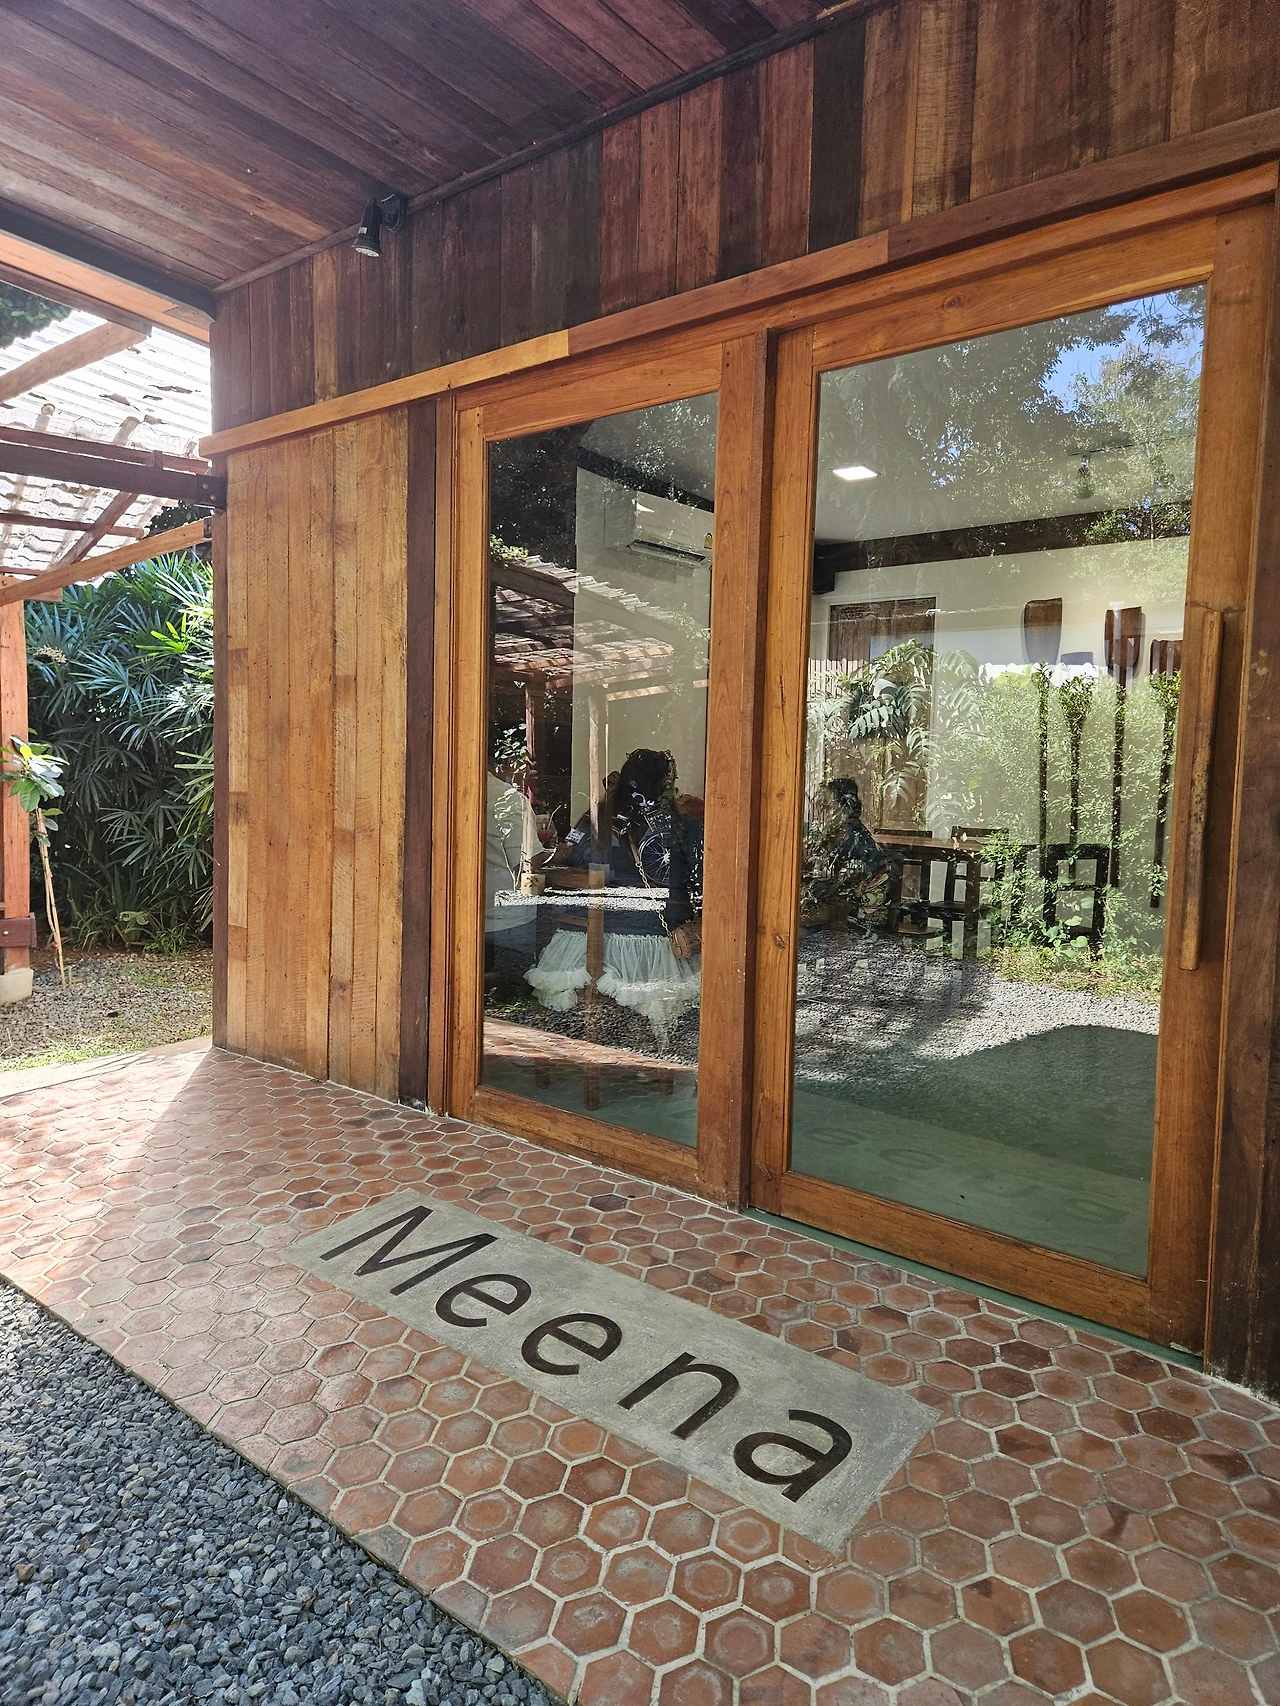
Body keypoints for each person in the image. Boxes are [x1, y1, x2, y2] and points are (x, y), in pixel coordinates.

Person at [525, 748, 703, 1047]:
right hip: (655, 940)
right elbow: (703, 879)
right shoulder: (683, 825)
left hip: (583, 938)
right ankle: (648, 1043)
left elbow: (569, 855)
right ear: (666, 783)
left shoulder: (599, 818)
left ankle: (596, 1040)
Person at [485, 742, 538, 1000]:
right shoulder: (506, 798)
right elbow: (527, 864)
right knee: (514, 993)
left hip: (456, 917)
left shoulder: (440, 791)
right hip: (506, 920)